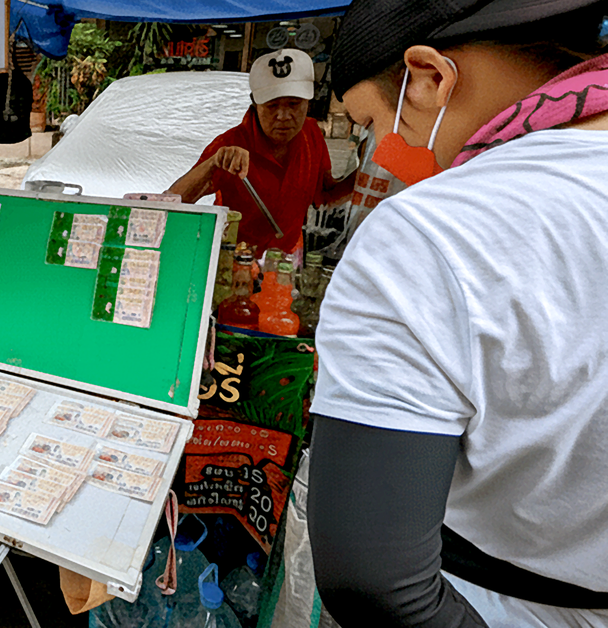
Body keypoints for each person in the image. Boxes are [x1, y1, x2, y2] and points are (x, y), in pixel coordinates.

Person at [307, 0, 608, 626]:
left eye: (371, 125)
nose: (385, 152)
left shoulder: (430, 233)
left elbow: (375, 582)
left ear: (429, 78)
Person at [167, 48, 352, 256]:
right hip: (234, 263)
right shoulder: (229, 144)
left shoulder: (311, 134)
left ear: (309, 102)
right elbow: (171, 203)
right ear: (255, 104)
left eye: (294, 104)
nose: (284, 116)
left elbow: (326, 195)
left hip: (286, 261)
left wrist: (368, 174)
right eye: (272, 106)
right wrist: (212, 164)